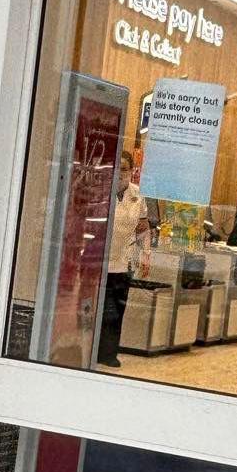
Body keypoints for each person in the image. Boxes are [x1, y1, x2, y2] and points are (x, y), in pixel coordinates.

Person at [99, 150, 147, 367]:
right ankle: (89, 349)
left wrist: (145, 254)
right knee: (96, 309)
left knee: (116, 311)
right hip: (98, 260)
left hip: (122, 261)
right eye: (117, 168)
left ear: (132, 171)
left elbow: (143, 228)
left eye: (125, 169)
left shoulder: (138, 195)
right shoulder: (101, 190)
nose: (120, 173)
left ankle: (109, 354)